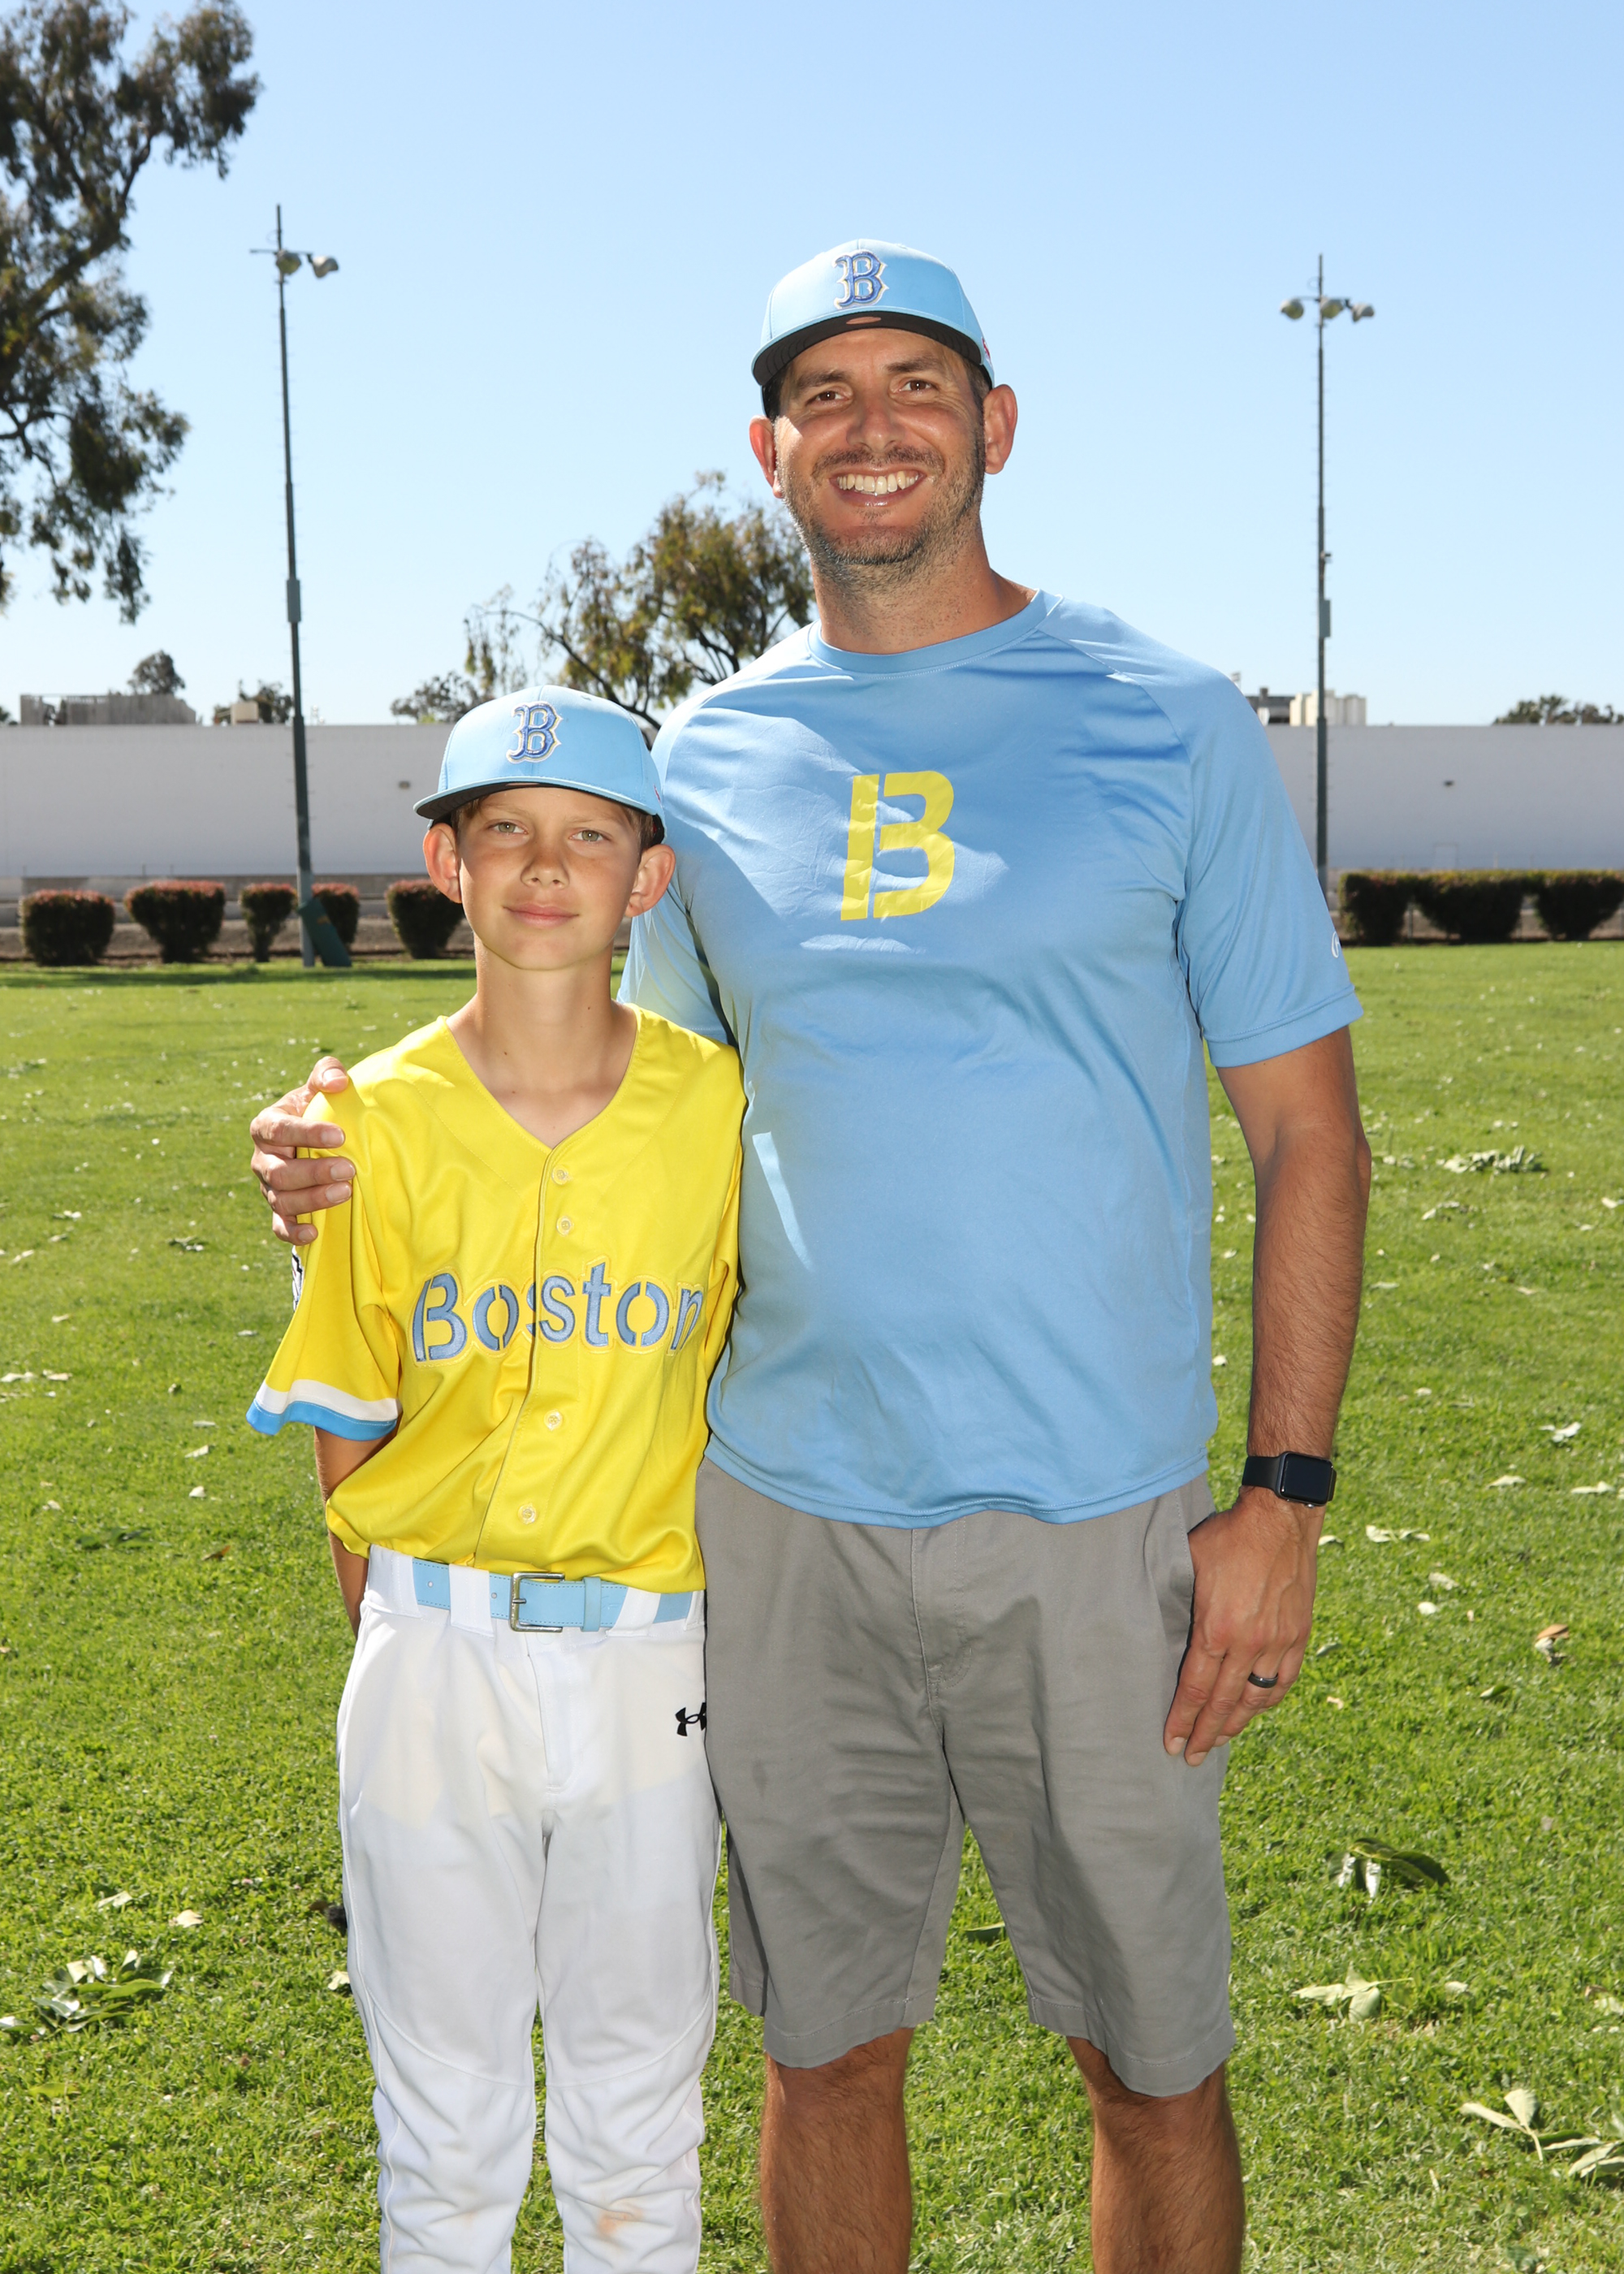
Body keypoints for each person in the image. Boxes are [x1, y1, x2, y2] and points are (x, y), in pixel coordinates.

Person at [251, 241, 1370, 2274]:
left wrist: (1281, 1491)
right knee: (823, 2049)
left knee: (1150, 2065)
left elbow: (1309, 1129)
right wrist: (354, 1135)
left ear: (994, 425)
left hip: (1090, 1516)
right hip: (780, 1521)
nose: (873, 427)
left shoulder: (1166, 717)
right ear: (768, 449)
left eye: (916, 382)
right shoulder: (703, 756)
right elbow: (605, 1081)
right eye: (825, 394)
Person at [246, 686, 744, 2274]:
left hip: (653, 1655)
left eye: (590, 835)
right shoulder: (366, 1120)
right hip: (433, 1649)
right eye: (504, 828)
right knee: (444, 2128)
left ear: (647, 878)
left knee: (636, 2124)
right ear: (444, 862)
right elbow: (349, 1419)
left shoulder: (720, 1107)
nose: (544, 865)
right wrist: (404, 1632)